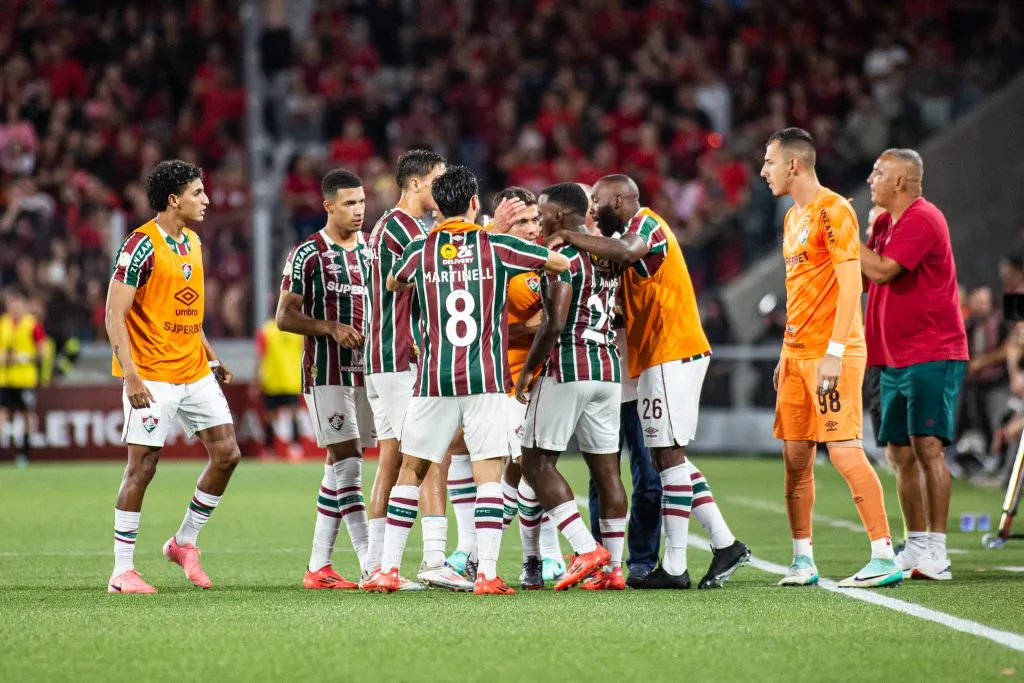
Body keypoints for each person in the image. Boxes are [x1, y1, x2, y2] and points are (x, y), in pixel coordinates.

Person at [362, 165, 569, 594]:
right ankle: (488, 574)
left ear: (440, 206)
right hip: (485, 378)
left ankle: (385, 568)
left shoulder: (420, 248)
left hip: (434, 377)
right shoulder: (496, 246)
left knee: (413, 467)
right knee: (488, 470)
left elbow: (392, 280)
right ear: (475, 203)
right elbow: (558, 261)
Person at [546, 174, 750, 589]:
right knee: (665, 458)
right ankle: (720, 544)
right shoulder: (629, 248)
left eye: (598, 202)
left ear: (619, 199)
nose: (593, 211)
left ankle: (678, 565)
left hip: (674, 351)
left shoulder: (648, 224)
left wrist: (568, 233)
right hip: (658, 356)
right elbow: (624, 301)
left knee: (667, 459)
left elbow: (623, 248)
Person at [758, 127, 901, 588]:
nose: (764, 171)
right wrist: (785, 350)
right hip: (797, 353)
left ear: (794, 165)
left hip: (831, 353)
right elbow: (799, 293)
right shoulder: (791, 218)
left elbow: (850, 286)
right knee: (795, 458)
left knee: (843, 451)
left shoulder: (834, 210)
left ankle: (884, 555)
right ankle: (804, 560)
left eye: (769, 162)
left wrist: (835, 353)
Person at [105, 159, 241, 594]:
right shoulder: (140, 245)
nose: (207, 200)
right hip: (152, 375)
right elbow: (114, 314)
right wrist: (131, 377)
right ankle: (122, 571)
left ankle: (184, 541)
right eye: (198, 193)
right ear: (173, 199)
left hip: (194, 369)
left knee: (228, 454)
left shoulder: (194, 244)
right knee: (142, 467)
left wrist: (212, 357)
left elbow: (187, 312)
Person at [444, 186, 566, 585]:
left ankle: (531, 555)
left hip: (540, 378)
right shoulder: (494, 261)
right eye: (522, 221)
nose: (532, 229)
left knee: (529, 467)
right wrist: (539, 324)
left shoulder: (537, 259)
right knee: (513, 466)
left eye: (535, 220)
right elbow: (494, 325)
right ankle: (482, 553)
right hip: (505, 379)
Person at [860, 149, 968, 581]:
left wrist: (845, 238)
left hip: (931, 352)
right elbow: (866, 276)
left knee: (928, 448)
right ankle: (916, 544)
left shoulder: (924, 218)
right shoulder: (886, 223)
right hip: (890, 355)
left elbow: (884, 271)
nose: (871, 178)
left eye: (879, 172)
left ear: (901, 180)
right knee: (899, 453)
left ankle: (937, 551)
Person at [362, 149, 468, 591]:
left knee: (391, 460)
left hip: (382, 360)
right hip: (400, 358)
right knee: (430, 454)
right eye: (437, 180)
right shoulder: (404, 230)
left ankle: (374, 565)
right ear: (415, 184)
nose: (441, 190)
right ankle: (434, 558)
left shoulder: (392, 227)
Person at [516, 182, 627, 591]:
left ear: (559, 216)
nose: (539, 219)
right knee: (607, 473)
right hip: (607, 370)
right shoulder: (605, 253)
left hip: (568, 366)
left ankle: (584, 548)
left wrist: (529, 370)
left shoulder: (562, 256)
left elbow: (555, 322)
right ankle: (613, 568)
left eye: (542, 213)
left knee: (535, 463)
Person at [276, 169, 378, 590]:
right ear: (328, 206)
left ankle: (319, 566)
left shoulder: (371, 250)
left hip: (368, 372)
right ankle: (371, 563)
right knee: (350, 464)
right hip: (327, 373)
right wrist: (330, 327)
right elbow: (284, 316)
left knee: (338, 467)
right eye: (349, 203)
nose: (358, 210)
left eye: (361, 202)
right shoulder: (308, 254)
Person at [0, 288, 47, 466]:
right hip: (4, 378)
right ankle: (5, 453)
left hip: (25, 379)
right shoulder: (2, 324)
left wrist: (24, 357)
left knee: (27, 415)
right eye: (11, 305)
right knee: (2, 414)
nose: (15, 308)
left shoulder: (32, 325)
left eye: (17, 305)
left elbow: (42, 352)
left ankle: (24, 453)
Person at [252, 314, 303, 460]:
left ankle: (269, 451)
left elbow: (260, 356)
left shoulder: (266, 330)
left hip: (272, 380)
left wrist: (255, 380)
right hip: (292, 379)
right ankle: (295, 449)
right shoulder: (296, 330)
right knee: (294, 414)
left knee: (270, 417)